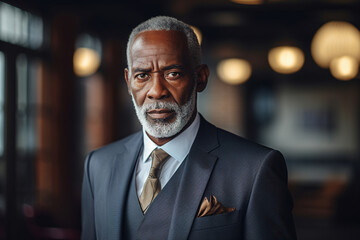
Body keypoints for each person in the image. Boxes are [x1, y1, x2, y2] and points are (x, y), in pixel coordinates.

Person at [81, 16, 297, 240]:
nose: (156, 91)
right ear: (128, 82)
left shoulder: (255, 169)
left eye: (173, 74)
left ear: (200, 78)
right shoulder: (98, 166)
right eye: (142, 75)